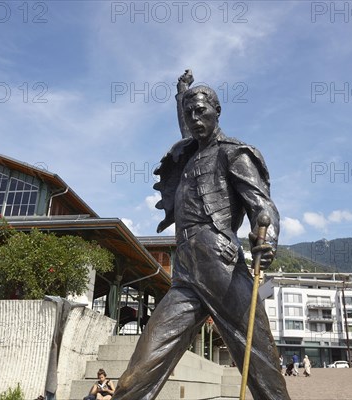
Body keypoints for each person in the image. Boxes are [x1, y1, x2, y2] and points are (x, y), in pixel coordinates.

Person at [110, 74, 289, 400]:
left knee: (261, 366)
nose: (194, 119)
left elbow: (263, 207)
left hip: (222, 267)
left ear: (217, 111)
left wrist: (268, 239)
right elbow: (185, 120)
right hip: (186, 273)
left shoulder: (233, 153)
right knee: (135, 375)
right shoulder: (189, 152)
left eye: (201, 111)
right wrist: (181, 94)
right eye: (189, 112)